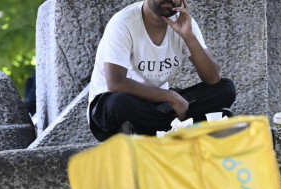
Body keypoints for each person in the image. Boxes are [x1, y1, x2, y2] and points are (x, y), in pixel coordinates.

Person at [87, 0, 236, 141]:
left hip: (158, 106)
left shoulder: (183, 22)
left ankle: (150, 130)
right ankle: (184, 127)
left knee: (226, 88)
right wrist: (170, 96)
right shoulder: (124, 23)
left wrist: (188, 37)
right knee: (119, 103)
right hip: (110, 107)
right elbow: (116, 83)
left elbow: (213, 78)